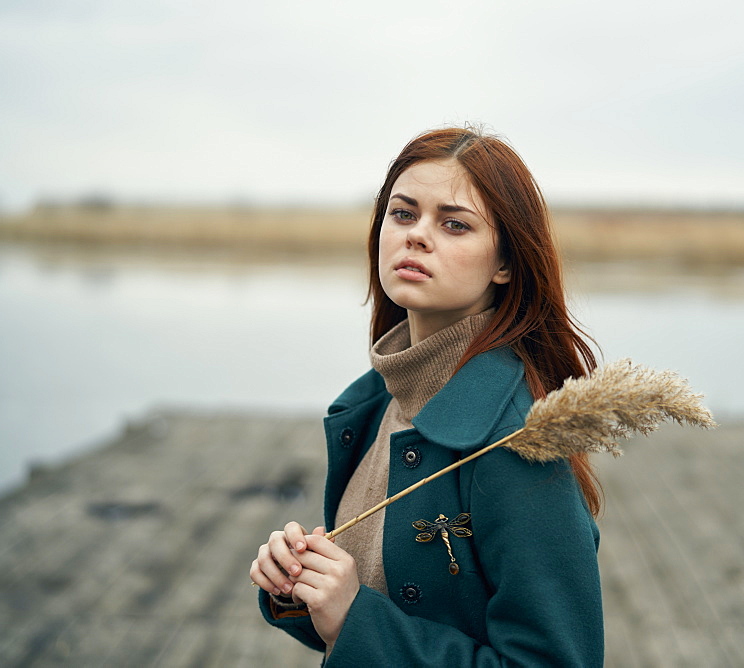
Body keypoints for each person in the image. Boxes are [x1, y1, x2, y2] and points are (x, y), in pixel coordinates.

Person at [249, 126, 604, 666]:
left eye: (455, 224)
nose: (417, 236)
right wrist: (299, 589)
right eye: (403, 213)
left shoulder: (517, 442)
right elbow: (371, 607)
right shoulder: (372, 406)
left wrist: (355, 617)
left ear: (505, 263)